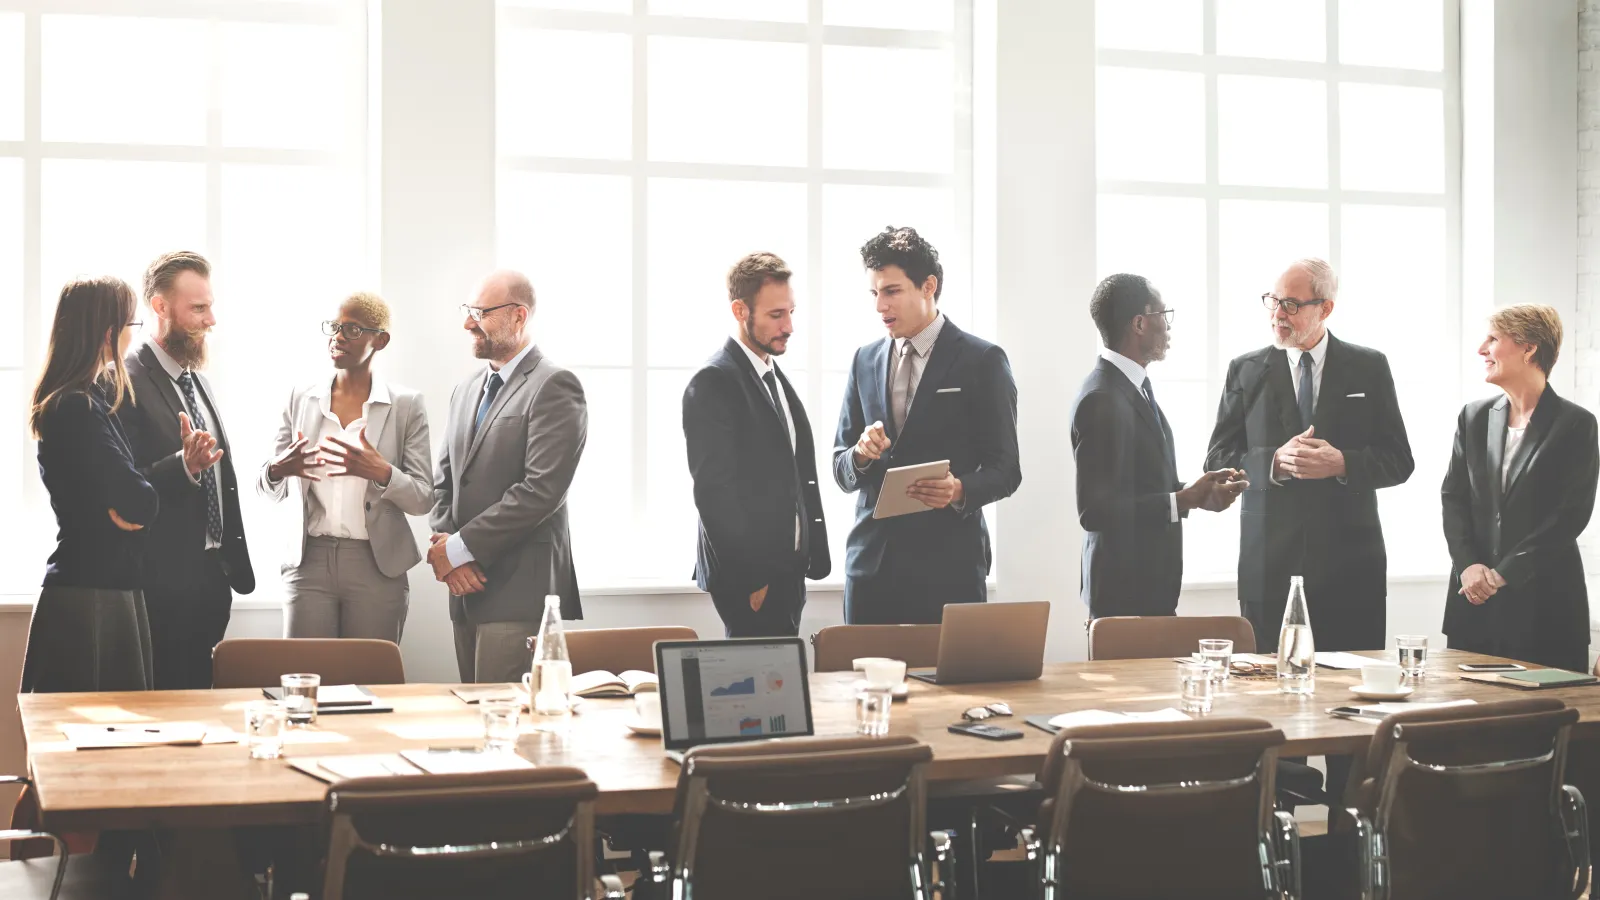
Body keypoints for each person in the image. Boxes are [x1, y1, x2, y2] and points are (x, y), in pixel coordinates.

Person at [1205, 258, 1413, 653]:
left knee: (1350, 699)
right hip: (1267, 569)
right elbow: (1217, 458)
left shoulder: (1369, 367)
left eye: (1292, 305)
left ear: (1326, 308)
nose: (1278, 315)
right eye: (1273, 301)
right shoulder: (1245, 370)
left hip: (1351, 571)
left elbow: (1399, 460)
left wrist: (1343, 463)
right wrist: (1273, 462)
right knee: (1266, 694)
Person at [832, 226, 1021, 624]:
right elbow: (840, 467)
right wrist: (861, 455)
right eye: (874, 293)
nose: (880, 306)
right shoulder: (863, 360)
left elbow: (1006, 470)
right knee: (868, 688)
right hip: (870, 570)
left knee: (952, 687)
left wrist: (957, 490)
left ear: (928, 286)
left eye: (892, 291)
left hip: (949, 570)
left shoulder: (982, 360)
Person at [429, 271, 588, 683]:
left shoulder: (555, 385)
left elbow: (541, 491)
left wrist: (459, 550)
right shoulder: (465, 390)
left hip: (517, 593)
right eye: (468, 311)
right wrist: (450, 558)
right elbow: (444, 481)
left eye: (479, 313)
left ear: (519, 316)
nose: (468, 323)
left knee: (506, 728)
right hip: (464, 591)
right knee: (472, 718)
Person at [259, 292, 433, 641]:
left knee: (371, 681)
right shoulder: (300, 397)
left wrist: (381, 471)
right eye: (335, 328)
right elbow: (268, 487)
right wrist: (278, 469)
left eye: (352, 330)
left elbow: (423, 499)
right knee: (305, 682)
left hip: (376, 563)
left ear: (379, 340)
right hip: (308, 562)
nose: (338, 337)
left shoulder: (406, 405)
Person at [1071, 274, 1246, 618]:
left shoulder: (1132, 387)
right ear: (1139, 323)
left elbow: (1138, 486)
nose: (1168, 329)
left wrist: (1194, 494)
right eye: (1163, 317)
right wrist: (1180, 500)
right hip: (1123, 598)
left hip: (1148, 592)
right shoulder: (1101, 398)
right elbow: (1095, 511)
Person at [121, 251, 255, 690]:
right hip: (160, 585)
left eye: (210, 306)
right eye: (198, 308)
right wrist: (183, 466)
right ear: (160, 308)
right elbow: (123, 487)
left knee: (201, 706)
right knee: (164, 715)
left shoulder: (196, 380)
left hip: (211, 579)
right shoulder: (124, 381)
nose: (210, 319)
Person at [1442, 305, 1597, 671]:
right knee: (1471, 722)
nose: (1482, 349)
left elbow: (1569, 516)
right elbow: (1454, 498)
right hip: (1474, 605)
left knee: (1545, 723)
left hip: (1546, 610)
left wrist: (1501, 574)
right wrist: (1467, 567)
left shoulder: (1577, 424)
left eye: (1493, 339)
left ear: (1529, 348)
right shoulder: (1473, 417)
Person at [683, 253, 830, 637]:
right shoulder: (714, 381)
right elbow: (714, 493)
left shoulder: (771, 373)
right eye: (776, 315)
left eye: (792, 312)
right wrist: (752, 578)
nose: (790, 326)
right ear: (739, 310)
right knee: (753, 689)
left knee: (778, 686)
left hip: (787, 570)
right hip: (753, 577)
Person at [23, 276, 159, 693]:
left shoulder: (87, 399)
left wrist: (128, 502)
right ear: (107, 334)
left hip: (101, 583)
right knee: (89, 738)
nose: (132, 338)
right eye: (131, 326)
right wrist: (132, 504)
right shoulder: (77, 407)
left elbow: (131, 497)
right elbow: (139, 500)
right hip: (90, 594)